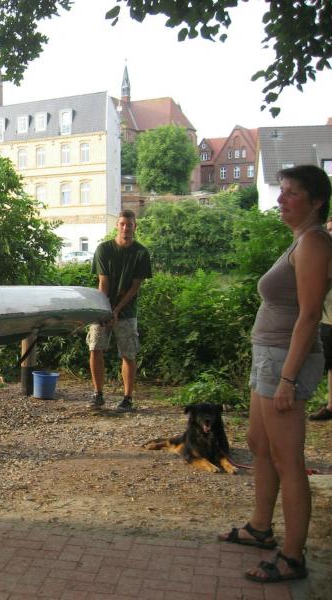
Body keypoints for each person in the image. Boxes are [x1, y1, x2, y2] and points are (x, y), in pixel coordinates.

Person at [219, 165, 332, 583]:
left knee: (288, 459)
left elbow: (310, 314)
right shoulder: (301, 240)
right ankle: (260, 527)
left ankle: (292, 556)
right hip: (269, 356)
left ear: (316, 201)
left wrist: (287, 378)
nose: (280, 200)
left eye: (290, 193)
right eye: (281, 191)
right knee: (260, 444)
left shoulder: (314, 242)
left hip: (285, 360)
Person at [86, 209, 152, 412]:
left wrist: (117, 311)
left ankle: (127, 398)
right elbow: (103, 282)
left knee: (128, 354)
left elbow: (135, 287)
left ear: (135, 227)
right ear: (117, 226)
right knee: (95, 348)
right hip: (102, 306)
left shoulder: (141, 253)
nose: (125, 228)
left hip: (127, 311)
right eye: (122, 224)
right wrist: (105, 311)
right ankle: (98, 394)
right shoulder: (104, 249)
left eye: (129, 225)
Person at [308, 217, 332, 421]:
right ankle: (331, 406)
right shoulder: (323, 258)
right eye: (329, 230)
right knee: (331, 364)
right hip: (327, 320)